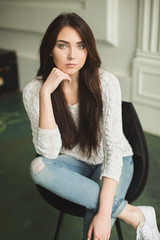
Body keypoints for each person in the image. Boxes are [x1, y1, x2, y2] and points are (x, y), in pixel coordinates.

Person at [23, 12, 160, 240]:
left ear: (89, 49)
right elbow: (47, 152)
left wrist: (105, 212)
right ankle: (134, 214)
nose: (72, 55)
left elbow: (113, 151)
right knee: (38, 166)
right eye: (62, 46)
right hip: (73, 164)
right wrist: (46, 93)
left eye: (80, 46)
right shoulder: (34, 91)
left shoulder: (105, 82)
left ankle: (120, 211)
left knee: (95, 228)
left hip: (113, 160)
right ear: (49, 49)